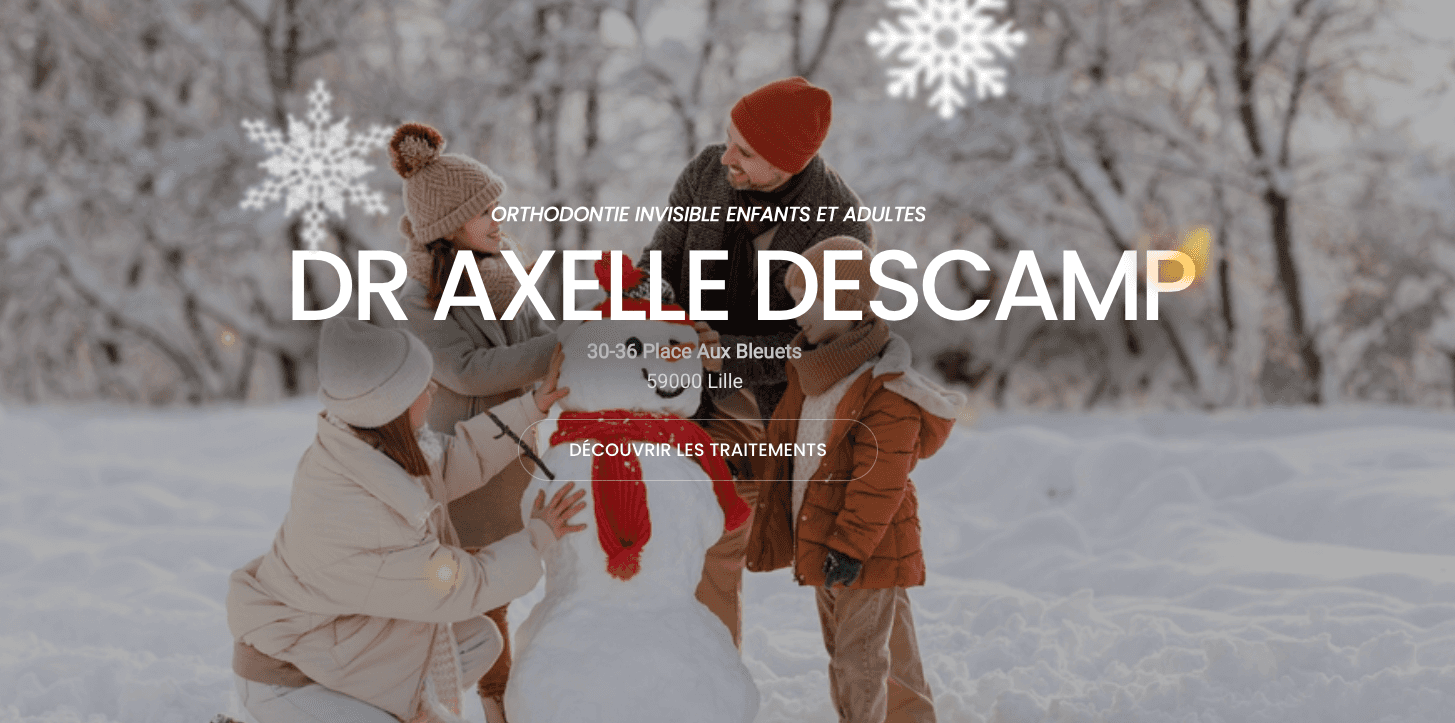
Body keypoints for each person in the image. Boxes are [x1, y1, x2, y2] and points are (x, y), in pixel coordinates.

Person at [226, 319, 588, 723]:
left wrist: (532, 405)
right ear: (390, 404)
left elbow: (455, 460)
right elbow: (455, 586)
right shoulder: (354, 512)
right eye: (421, 384)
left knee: (479, 639)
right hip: (291, 678)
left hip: (345, 648)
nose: (432, 388)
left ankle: (393, 703)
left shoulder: (370, 447)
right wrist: (537, 536)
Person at [639, 76, 875, 647]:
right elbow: (656, 264)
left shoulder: (838, 221)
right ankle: (707, 691)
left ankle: (888, 704)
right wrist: (669, 313)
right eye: (728, 139)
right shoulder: (705, 173)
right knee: (707, 540)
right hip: (700, 405)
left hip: (789, 415)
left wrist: (730, 354)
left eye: (746, 151)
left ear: (792, 160)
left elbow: (822, 344)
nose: (727, 157)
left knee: (848, 569)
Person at [745, 237, 963, 723]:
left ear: (846, 301)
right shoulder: (814, 375)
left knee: (857, 659)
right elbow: (789, 451)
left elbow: (878, 482)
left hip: (862, 546)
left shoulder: (886, 390)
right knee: (880, 649)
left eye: (807, 299)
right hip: (825, 541)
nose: (796, 312)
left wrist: (849, 546)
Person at [386, 121, 558, 723]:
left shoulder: (506, 275)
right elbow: (467, 371)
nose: (497, 219)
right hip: (467, 467)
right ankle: (491, 708)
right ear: (446, 228)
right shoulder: (416, 300)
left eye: (496, 206)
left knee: (513, 587)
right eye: (484, 211)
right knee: (484, 602)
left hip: (520, 456)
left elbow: (538, 338)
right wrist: (558, 354)